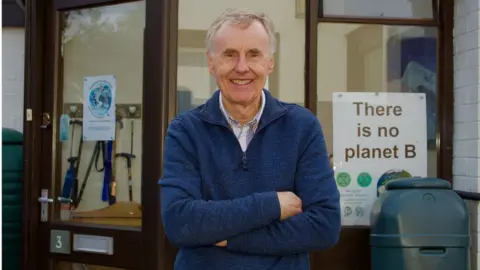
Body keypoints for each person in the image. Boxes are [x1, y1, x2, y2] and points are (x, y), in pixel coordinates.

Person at [159, 8, 341, 270]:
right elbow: (180, 222)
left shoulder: (302, 126)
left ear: (270, 62)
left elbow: (324, 226)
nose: (242, 67)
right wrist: (273, 205)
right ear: (212, 63)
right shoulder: (185, 130)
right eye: (229, 55)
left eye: (253, 54)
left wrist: (227, 237)